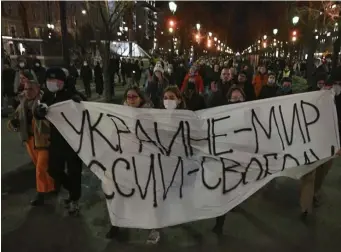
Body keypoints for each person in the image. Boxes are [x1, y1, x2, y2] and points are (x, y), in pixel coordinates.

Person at [34, 67, 85, 216]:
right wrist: (39, 112)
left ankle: (74, 200)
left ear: (63, 81)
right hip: (56, 141)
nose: (51, 83)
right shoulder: (48, 96)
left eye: (55, 80)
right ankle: (72, 190)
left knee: (74, 172)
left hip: (74, 142)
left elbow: (86, 111)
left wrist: (79, 104)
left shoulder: (73, 95)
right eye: (49, 80)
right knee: (53, 169)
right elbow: (38, 113)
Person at [7, 70, 54, 206]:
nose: (28, 91)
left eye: (31, 89)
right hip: (29, 141)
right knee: (42, 168)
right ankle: (50, 187)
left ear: (38, 88)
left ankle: (41, 195)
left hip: (43, 141)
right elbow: (13, 121)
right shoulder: (22, 104)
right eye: (26, 89)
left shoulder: (45, 102)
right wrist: (12, 124)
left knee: (40, 169)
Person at [212, 85, 246, 236]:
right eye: (234, 98)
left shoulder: (250, 114)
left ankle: (233, 204)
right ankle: (220, 223)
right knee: (223, 191)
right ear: (228, 100)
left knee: (234, 188)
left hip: (242, 159)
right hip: (225, 158)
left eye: (240, 98)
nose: (237, 101)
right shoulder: (223, 115)